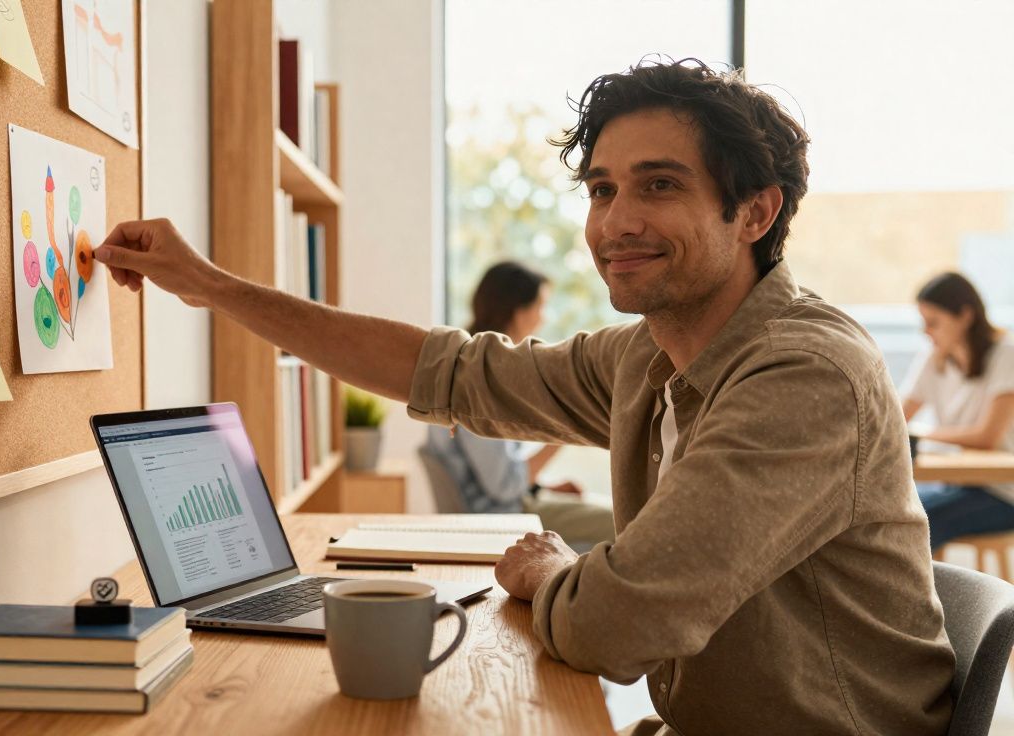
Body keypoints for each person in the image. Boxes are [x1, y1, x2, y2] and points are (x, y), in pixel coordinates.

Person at [94, 59, 953, 735]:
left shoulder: (803, 376)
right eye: (603, 189)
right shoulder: (649, 357)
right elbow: (449, 371)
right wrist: (209, 285)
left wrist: (550, 568)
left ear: (754, 214)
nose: (615, 222)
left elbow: (614, 628)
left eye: (659, 184)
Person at [424, 260, 615, 545]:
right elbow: (503, 486)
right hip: (505, 517)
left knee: (610, 512)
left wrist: (543, 487)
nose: (544, 318)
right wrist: (567, 429)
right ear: (517, 311)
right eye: (540, 306)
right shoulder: (478, 378)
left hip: (509, 506)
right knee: (627, 524)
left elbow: (495, 471)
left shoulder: (474, 364)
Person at [902, 272, 1014, 548]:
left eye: (933, 323)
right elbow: (895, 418)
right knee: (887, 509)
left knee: (916, 520)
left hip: (1002, 492)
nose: (926, 332)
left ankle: (917, 592)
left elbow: (987, 437)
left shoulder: (1006, 354)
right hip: (956, 483)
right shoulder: (935, 358)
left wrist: (924, 435)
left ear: (965, 316)